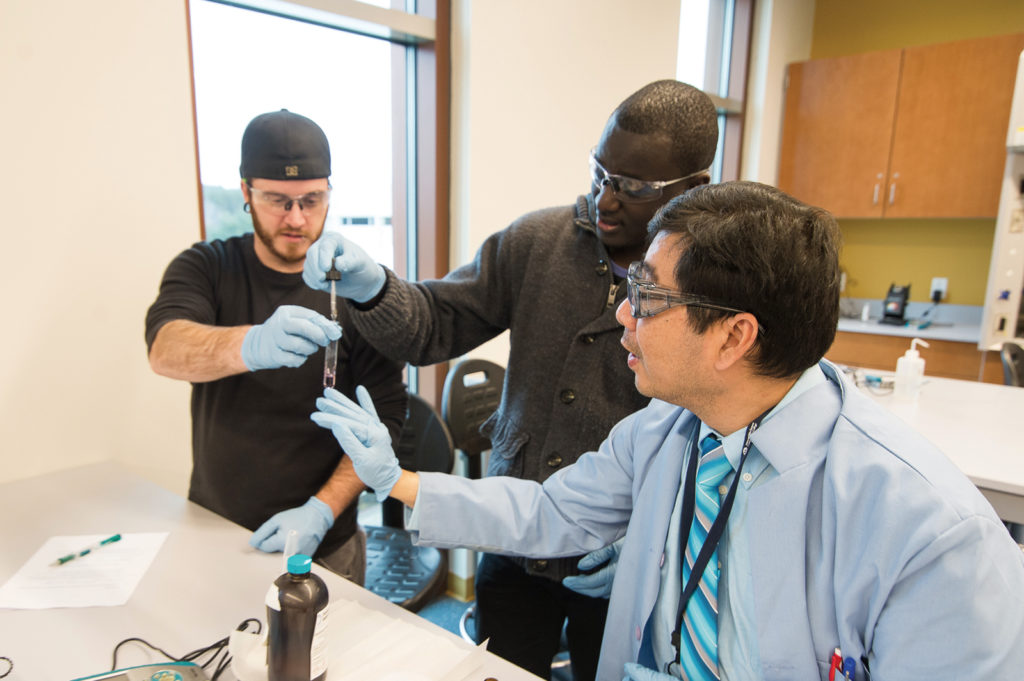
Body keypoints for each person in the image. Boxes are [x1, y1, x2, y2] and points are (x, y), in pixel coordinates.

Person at [311, 181, 1024, 680]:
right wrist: (396, 480)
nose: (622, 314)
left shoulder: (930, 534)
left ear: (733, 337)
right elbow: (552, 509)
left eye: (645, 295)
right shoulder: (668, 430)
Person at [301, 80, 719, 680]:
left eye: (631, 188)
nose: (605, 200)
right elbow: (433, 327)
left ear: (693, 188)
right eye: (599, 174)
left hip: (627, 557)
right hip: (515, 535)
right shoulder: (539, 244)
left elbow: (719, 433)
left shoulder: (710, 284)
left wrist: (654, 540)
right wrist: (376, 288)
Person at [145, 110, 407, 584]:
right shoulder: (209, 266)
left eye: (312, 199)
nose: (296, 218)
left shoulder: (358, 288)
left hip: (326, 546)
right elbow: (166, 347)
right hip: (216, 529)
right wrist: (250, 344)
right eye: (276, 200)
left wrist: (322, 511)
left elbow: (384, 418)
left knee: (327, 656)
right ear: (245, 192)